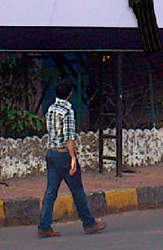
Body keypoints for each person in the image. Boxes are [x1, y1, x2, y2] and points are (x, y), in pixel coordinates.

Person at [37, 77, 107, 238]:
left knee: (50, 191)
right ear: (69, 94)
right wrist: (73, 158)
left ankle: (44, 225)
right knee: (77, 191)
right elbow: (69, 137)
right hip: (63, 155)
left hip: (51, 153)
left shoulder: (51, 109)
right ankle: (89, 223)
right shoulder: (67, 112)